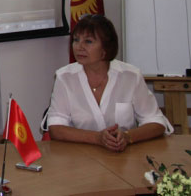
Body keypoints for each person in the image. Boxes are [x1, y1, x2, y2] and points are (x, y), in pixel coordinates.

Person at [47, 14, 173, 152]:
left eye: (88, 41)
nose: (79, 47)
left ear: (106, 47)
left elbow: (156, 122)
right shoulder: (64, 77)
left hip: (124, 156)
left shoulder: (130, 76)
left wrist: (127, 137)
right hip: (80, 156)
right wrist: (97, 138)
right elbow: (55, 128)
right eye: (76, 40)